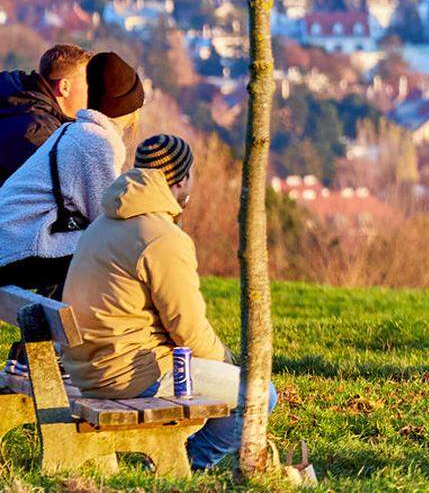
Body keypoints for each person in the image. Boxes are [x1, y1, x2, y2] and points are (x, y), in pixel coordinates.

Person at [62, 135, 278, 470]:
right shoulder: (162, 238)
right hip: (129, 374)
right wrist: (229, 363)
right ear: (181, 180)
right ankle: (189, 463)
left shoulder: (105, 221)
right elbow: (188, 329)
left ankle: (181, 456)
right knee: (260, 394)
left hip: (88, 368)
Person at [0, 52, 143, 298]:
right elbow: (106, 217)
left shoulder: (72, 130)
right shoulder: (99, 141)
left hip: (11, 245)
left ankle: (54, 326)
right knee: (117, 250)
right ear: (130, 108)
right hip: (16, 252)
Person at [0, 44, 90, 184]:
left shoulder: (18, 99)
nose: (94, 93)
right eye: (89, 85)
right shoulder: (39, 134)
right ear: (64, 87)